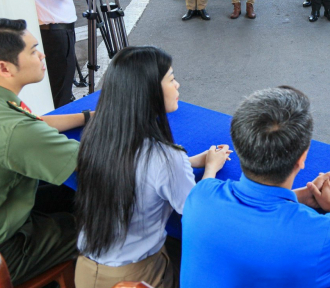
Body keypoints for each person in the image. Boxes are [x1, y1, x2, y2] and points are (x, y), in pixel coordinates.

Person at [180, 86, 330, 288]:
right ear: (302, 158)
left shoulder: (200, 195)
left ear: (239, 146)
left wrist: (297, 197)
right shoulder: (321, 235)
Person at [74, 46, 230, 288]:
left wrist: (188, 161)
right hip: (137, 275)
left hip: (86, 270)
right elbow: (198, 213)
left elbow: (137, 168)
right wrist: (209, 169)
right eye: (171, 79)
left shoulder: (97, 137)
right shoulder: (165, 158)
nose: (177, 85)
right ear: (149, 92)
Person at [0, 18, 90, 286]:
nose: (42, 55)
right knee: (102, 224)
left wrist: (87, 116)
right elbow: (90, 161)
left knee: (66, 194)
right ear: (4, 68)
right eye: (33, 51)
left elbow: (34, 124)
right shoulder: (15, 130)